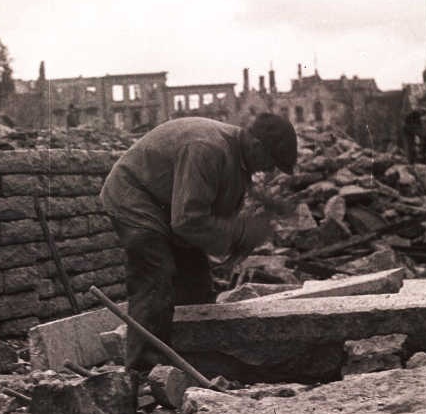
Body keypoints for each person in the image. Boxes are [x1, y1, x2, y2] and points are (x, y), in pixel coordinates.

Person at [100, 113, 298, 371]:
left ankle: (188, 362)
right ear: (257, 145)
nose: (268, 170)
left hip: (169, 205)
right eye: (271, 163)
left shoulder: (238, 160)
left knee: (196, 283)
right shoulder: (207, 149)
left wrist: (238, 239)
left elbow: (210, 214)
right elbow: (187, 221)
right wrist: (239, 233)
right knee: (155, 277)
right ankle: (143, 374)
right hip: (134, 197)